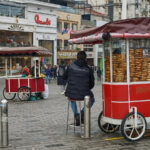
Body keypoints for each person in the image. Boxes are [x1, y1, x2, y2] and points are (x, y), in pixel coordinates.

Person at [64, 51, 95, 126]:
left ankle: (76, 115)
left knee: (71, 99)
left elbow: (64, 77)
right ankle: (82, 113)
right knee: (92, 99)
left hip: (72, 92)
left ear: (76, 58)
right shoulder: (88, 69)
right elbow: (92, 84)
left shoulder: (70, 66)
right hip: (84, 93)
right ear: (86, 59)